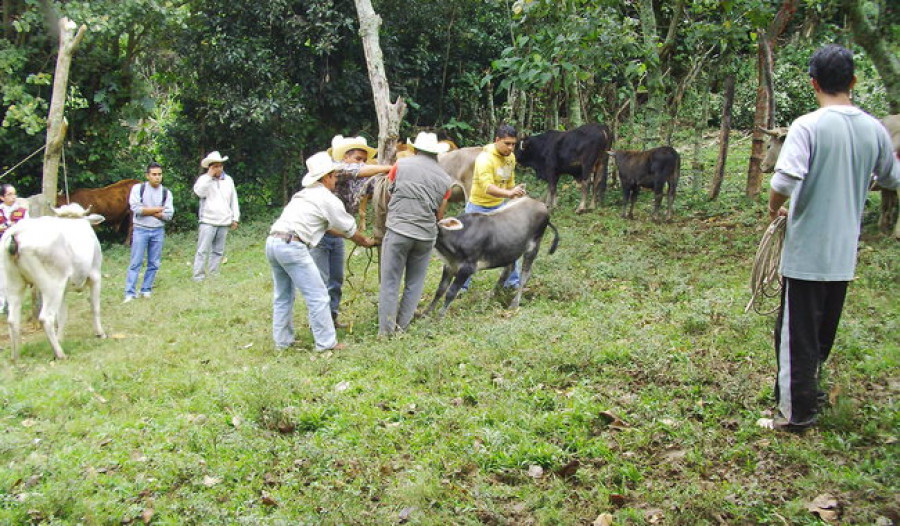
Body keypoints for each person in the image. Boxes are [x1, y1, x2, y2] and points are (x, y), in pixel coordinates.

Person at [759, 44, 900, 433]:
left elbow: (785, 179)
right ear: (853, 82)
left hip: (807, 252)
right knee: (820, 333)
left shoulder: (808, 125)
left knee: (793, 335)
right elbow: (891, 177)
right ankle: (807, 395)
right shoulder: (874, 129)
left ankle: (794, 415)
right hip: (842, 256)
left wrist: (774, 208)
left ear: (813, 83)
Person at [266, 151, 376, 351]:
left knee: (283, 296)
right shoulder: (327, 198)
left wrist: (355, 238)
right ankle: (326, 343)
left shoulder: (304, 195)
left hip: (274, 242)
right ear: (326, 177)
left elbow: (327, 227)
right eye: (334, 176)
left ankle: (283, 342)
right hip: (293, 245)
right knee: (318, 295)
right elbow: (348, 228)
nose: (335, 180)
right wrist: (365, 241)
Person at [311, 135, 391, 328]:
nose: (361, 163)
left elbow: (377, 186)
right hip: (319, 235)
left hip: (337, 235)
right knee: (320, 282)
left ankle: (331, 319)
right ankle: (320, 326)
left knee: (335, 281)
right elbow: (358, 171)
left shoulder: (360, 178)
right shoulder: (336, 169)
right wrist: (390, 167)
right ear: (345, 158)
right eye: (357, 159)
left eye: (364, 160)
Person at [378, 132, 453, 336]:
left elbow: (388, 194)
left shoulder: (401, 166)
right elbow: (440, 213)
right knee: (414, 283)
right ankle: (402, 328)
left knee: (390, 282)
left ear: (415, 149)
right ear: (436, 153)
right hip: (426, 236)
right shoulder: (446, 180)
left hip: (398, 231)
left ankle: (385, 332)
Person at [462, 124, 528, 290]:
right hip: (478, 208)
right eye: (507, 143)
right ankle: (461, 286)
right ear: (497, 140)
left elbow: (510, 183)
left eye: (513, 144)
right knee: (470, 249)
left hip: (500, 207)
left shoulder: (510, 158)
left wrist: (516, 194)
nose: (511, 148)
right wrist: (510, 194)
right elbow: (488, 187)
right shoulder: (484, 159)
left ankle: (512, 283)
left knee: (511, 243)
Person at [124, 162, 175, 303]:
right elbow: (136, 208)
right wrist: (158, 210)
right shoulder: (138, 189)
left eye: (159, 174)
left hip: (158, 230)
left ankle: (146, 289)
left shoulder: (166, 192)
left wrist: (147, 210)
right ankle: (130, 292)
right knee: (136, 262)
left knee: (154, 263)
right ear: (147, 175)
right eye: (154, 174)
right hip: (140, 229)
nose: (157, 177)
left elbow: (169, 215)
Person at [193, 151, 240, 281]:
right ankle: (198, 276)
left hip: (224, 221)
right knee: (202, 250)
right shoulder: (204, 179)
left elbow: (233, 199)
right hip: (207, 220)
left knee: (218, 251)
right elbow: (199, 192)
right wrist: (209, 176)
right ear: (210, 167)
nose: (218, 168)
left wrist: (235, 218)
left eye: (220, 166)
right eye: (215, 166)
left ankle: (214, 274)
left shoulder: (228, 180)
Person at [0, 183, 29, 312]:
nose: (13, 197)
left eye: (14, 194)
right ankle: (3, 304)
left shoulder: (22, 211)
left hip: (18, 248)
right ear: (2, 197)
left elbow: (28, 228)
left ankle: (15, 303)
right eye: (9, 194)